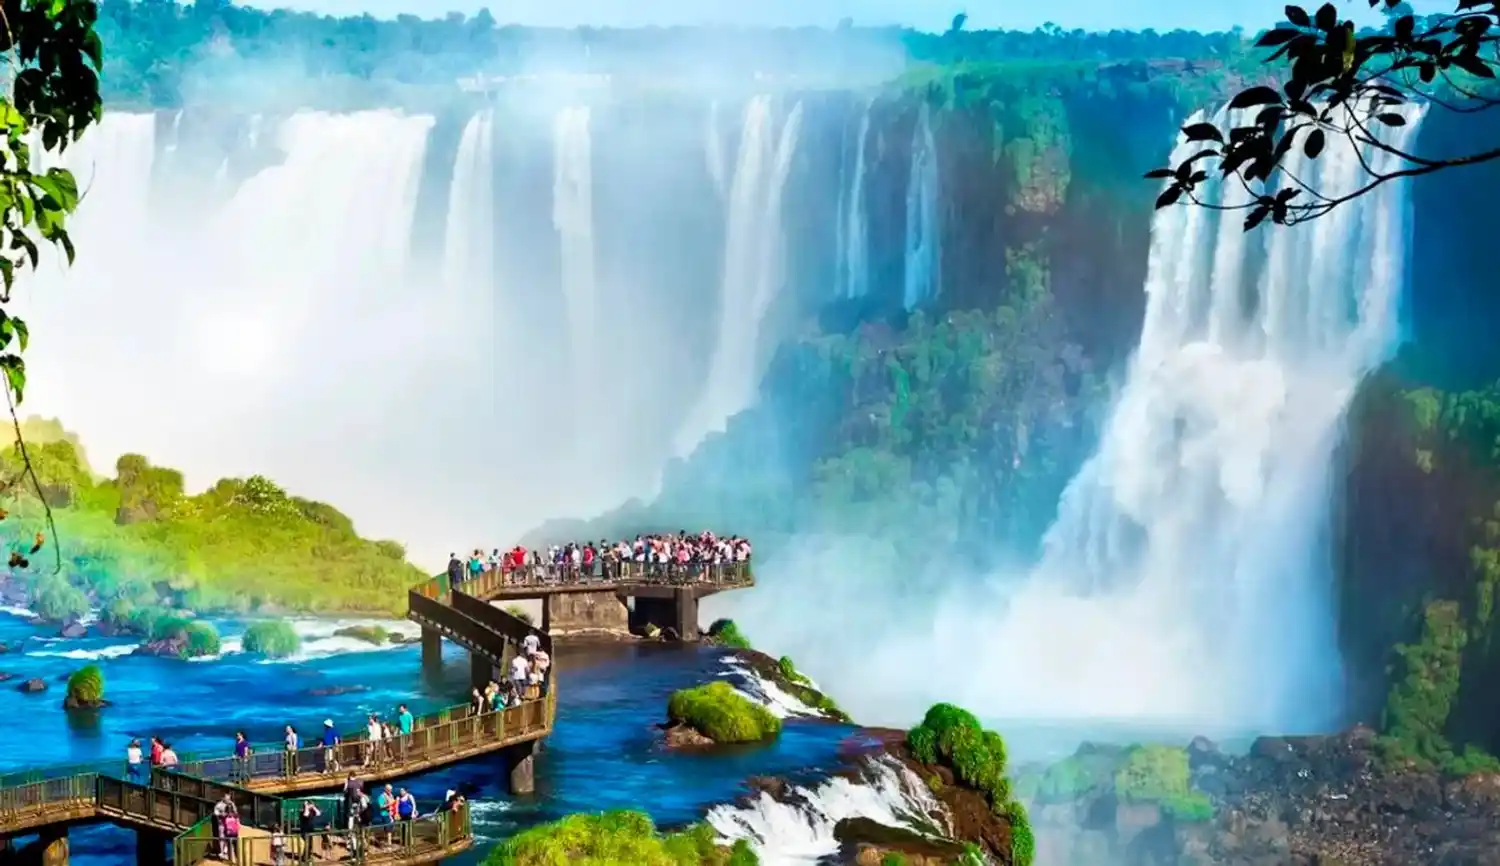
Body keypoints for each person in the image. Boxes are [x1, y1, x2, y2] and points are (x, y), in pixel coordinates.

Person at [297, 799, 321, 864]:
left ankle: (306, 857)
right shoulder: (302, 811)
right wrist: (306, 806)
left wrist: (313, 807)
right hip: (304, 831)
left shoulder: (312, 811)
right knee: (307, 844)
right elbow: (306, 815)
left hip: (310, 831)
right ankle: (305, 858)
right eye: (309, 804)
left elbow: (319, 813)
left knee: (309, 845)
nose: (311, 805)